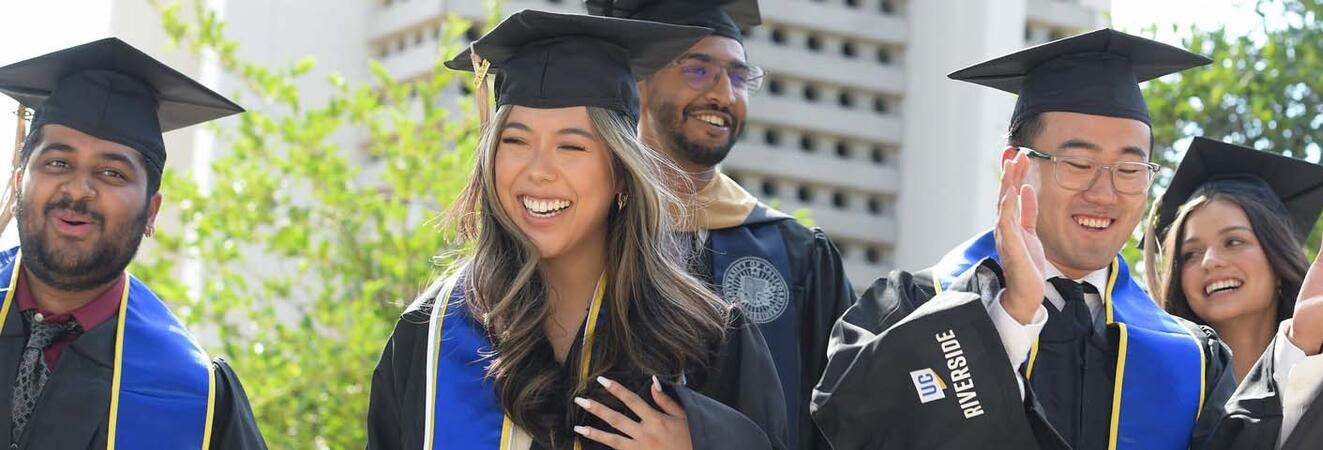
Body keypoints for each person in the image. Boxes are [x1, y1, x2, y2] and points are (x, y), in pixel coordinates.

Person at [363, 11, 786, 449]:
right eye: (516, 141)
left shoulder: (704, 341)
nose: (538, 171)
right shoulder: (432, 335)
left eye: (572, 146)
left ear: (622, 175)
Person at [811, 28, 1231, 449]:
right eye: (1079, 164)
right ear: (1017, 166)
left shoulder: (1191, 361)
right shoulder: (910, 306)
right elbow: (848, 423)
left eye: (1128, 170)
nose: (1104, 193)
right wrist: (1008, 319)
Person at [582, 3, 856, 449]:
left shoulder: (798, 255)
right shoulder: (589, 236)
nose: (723, 95)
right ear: (640, 84)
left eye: (738, 76)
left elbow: (843, 424)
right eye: (698, 70)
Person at [0, 37, 266, 450]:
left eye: (112, 174)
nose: (79, 189)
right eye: (58, 163)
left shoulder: (198, 395)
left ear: (151, 212)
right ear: (19, 181)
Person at [1146, 137, 1323, 449]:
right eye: (1191, 253)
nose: (1210, 261)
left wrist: (1305, 336)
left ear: (1276, 259)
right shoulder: (1155, 395)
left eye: (1233, 241)